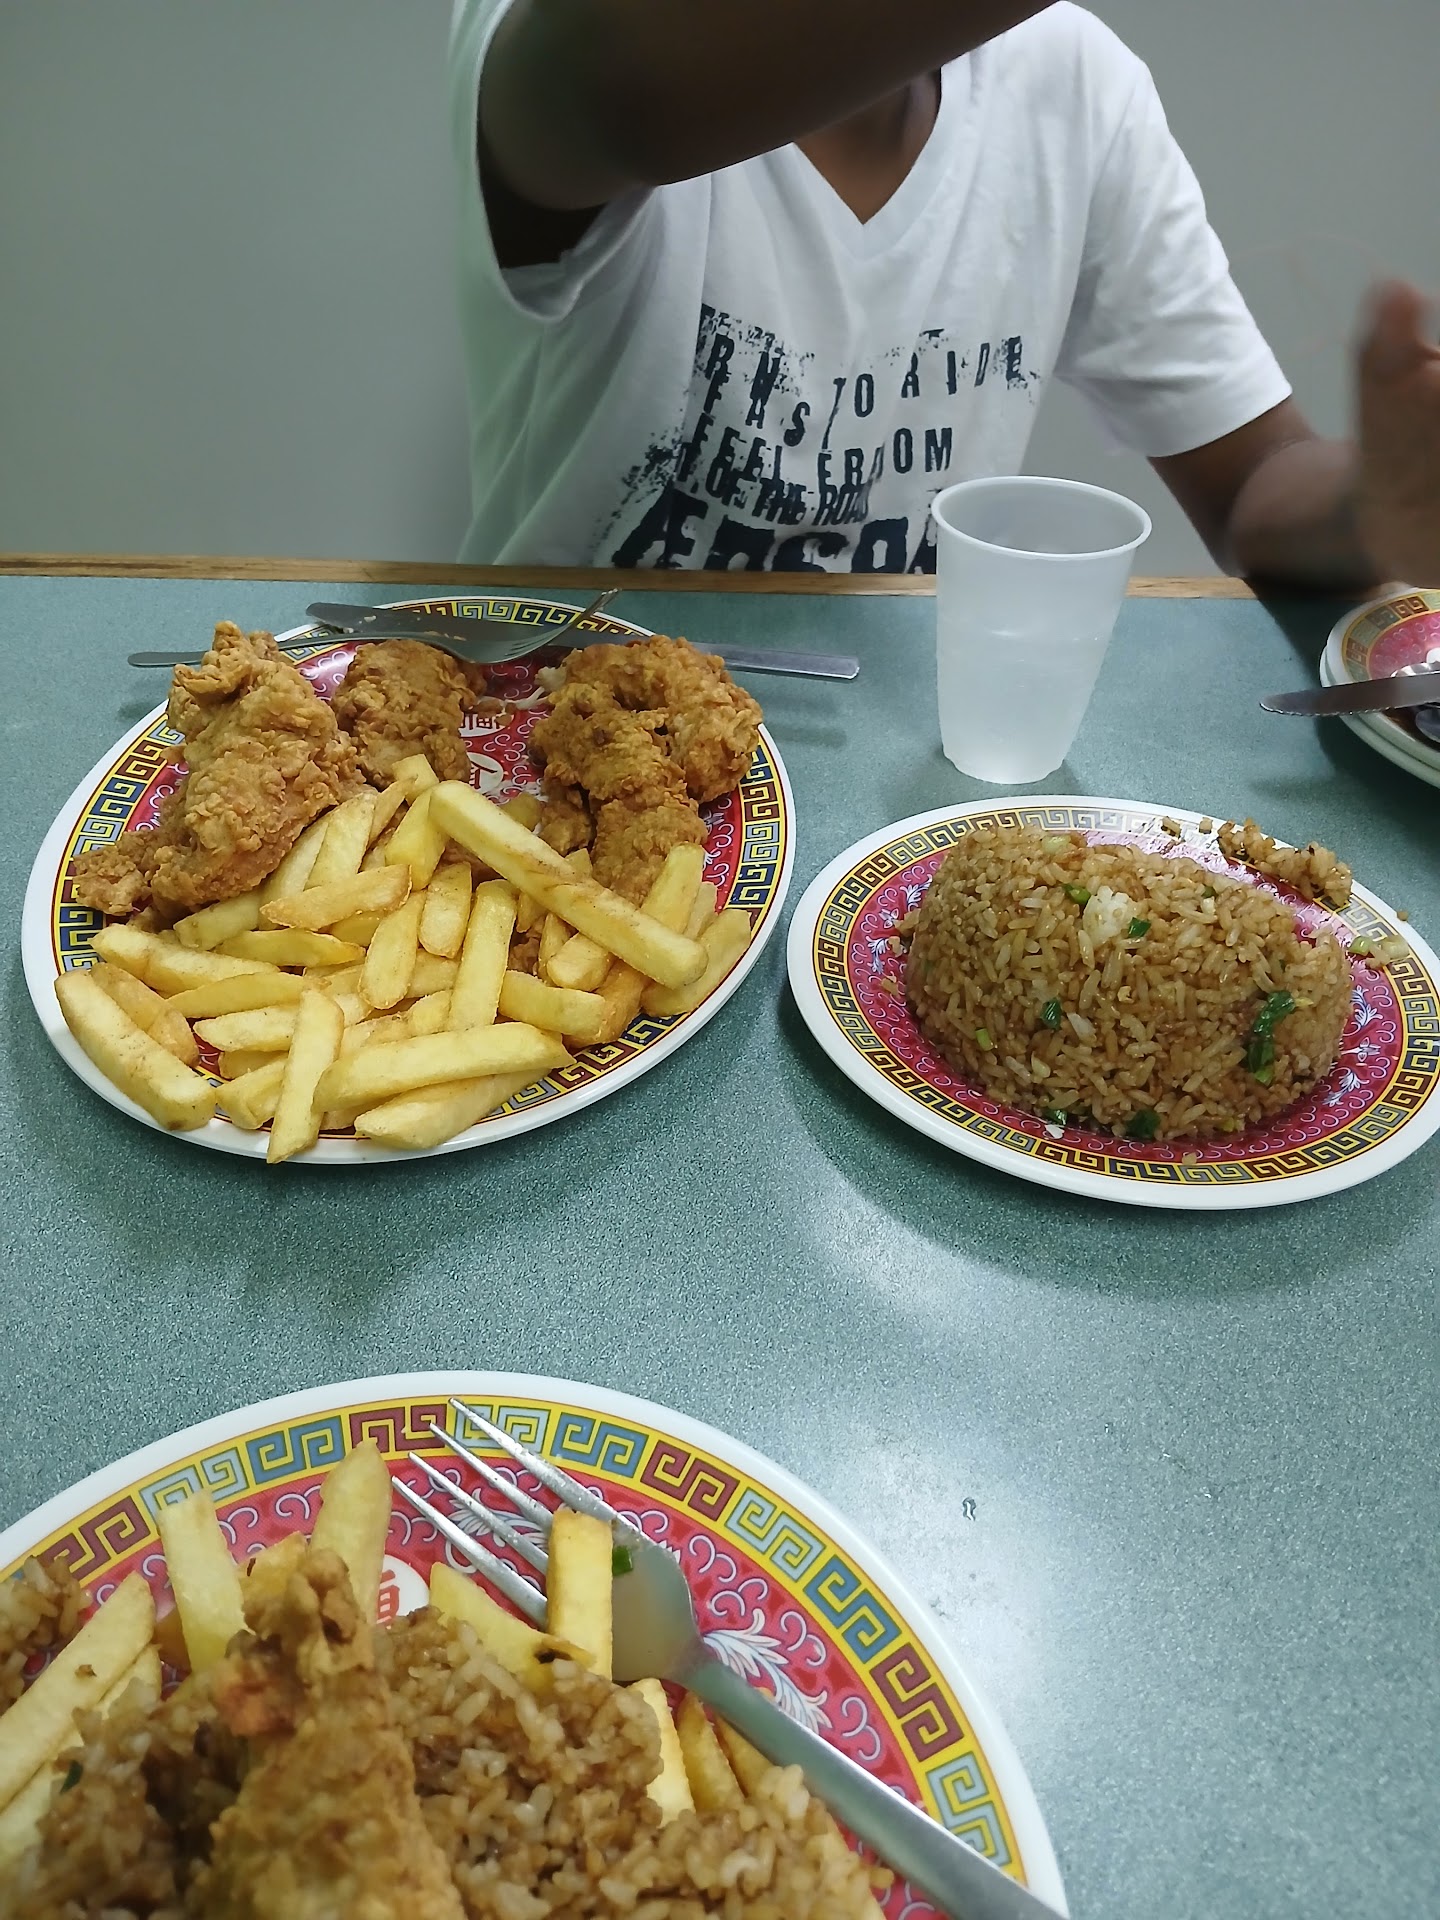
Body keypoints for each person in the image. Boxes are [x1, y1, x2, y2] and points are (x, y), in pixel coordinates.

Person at [449, 0, 1440, 586]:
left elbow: (1256, 485)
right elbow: (620, 98)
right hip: (537, 746)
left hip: (894, 777)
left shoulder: (1074, 81)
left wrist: (1380, 510)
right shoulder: (569, 34)